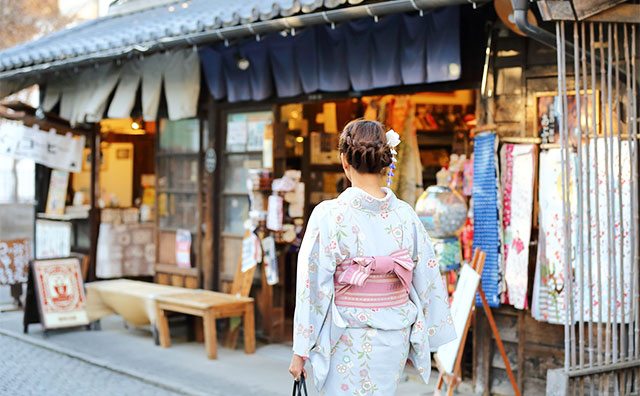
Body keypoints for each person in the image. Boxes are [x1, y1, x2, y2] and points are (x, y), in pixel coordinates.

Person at [289, 119, 456, 395]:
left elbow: (312, 288)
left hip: (347, 336)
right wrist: (429, 333)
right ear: (385, 161)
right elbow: (426, 278)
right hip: (394, 337)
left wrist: (301, 349)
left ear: (344, 160)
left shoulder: (329, 215)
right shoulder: (406, 215)